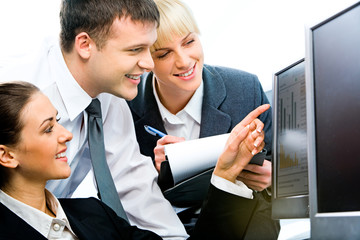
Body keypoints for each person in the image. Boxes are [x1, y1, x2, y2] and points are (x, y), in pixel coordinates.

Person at [0, 0, 271, 238]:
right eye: (135, 50)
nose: (150, 64)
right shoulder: (14, 85)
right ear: (85, 45)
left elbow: (132, 183)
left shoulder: (111, 93)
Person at [0, 81, 269, 240]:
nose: (67, 134)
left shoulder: (95, 215)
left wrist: (226, 173)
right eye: (48, 128)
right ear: (6, 155)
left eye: (58, 121)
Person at [127, 0, 280, 238]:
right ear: (146, 60)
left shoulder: (245, 88)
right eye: (164, 53)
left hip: (241, 224)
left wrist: (273, 178)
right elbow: (125, 197)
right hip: (162, 228)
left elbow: (281, 176)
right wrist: (155, 174)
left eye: (189, 42)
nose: (185, 61)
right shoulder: (126, 106)